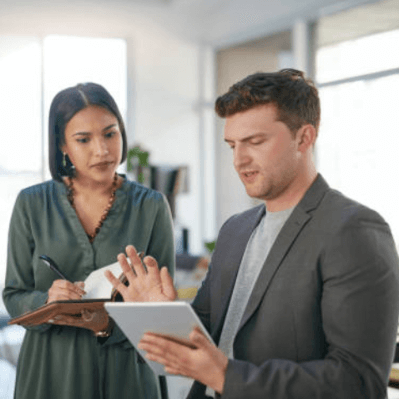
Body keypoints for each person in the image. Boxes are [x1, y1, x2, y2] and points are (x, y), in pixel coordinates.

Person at [107, 69, 399, 399]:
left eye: (255, 142)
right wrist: (162, 312)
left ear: (303, 138)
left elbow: (358, 381)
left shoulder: (353, 231)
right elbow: (209, 337)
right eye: (232, 145)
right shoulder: (235, 230)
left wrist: (227, 376)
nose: (239, 160)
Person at [2, 82, 175, 399]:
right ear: (63, 146)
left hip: (127, 371)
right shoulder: (31, 203)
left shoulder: (151, 206)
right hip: (51, 371)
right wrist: (47, 301)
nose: (102, 149)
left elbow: (162, 300)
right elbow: (13, 293)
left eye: (110, 134)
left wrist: (120, 319)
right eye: (84, 139)